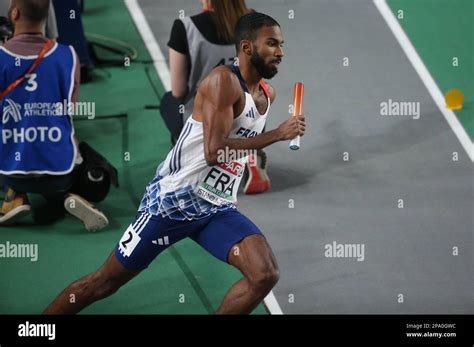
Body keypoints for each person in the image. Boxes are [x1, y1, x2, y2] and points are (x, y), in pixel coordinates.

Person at [43, 12, 305, 315]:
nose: (280, 52)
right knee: (104, 283)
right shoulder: (222, 82)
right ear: (246, 47)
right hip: (174, 202)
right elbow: (214, 152)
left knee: (265, 274)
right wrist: (276, 135)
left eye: (282, 45)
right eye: (272, 44)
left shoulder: (267, 94)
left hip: (216, 207)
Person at [0, 0, 114, 231]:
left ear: (14, 13)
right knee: (90, 167)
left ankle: (14, 196)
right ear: (48, 17)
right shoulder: (68, 56)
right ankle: (70, 195)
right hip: (61, 173)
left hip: (11, 172)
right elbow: (70, 108)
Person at [163, 0, 270, 194]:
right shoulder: (255, 20)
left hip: (209, 123)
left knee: (169, 101)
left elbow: (178, 90)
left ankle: (192, 161)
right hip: (251, 118)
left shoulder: (186, 27)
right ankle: (249, 153)